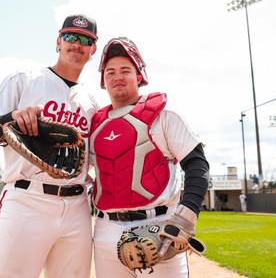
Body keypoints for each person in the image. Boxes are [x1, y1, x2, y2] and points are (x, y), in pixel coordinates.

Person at [0, 14, 99, 278]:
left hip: (77, 207)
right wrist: (12, 118)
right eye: (70, 37)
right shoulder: (24, 79)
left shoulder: (92, 103)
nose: (76, 44)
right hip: (26, 200)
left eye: (84, 40)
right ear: (58, 41)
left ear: (93, 49)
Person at [89, 37, 209, 277]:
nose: (117, 76)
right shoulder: (95, 124)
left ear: (139, 76)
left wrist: (187, 214)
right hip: (105, 231)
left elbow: (197, 164)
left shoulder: (165, 116)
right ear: (103, 80)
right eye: (110, 72)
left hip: (157, 228)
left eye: (125, 70)